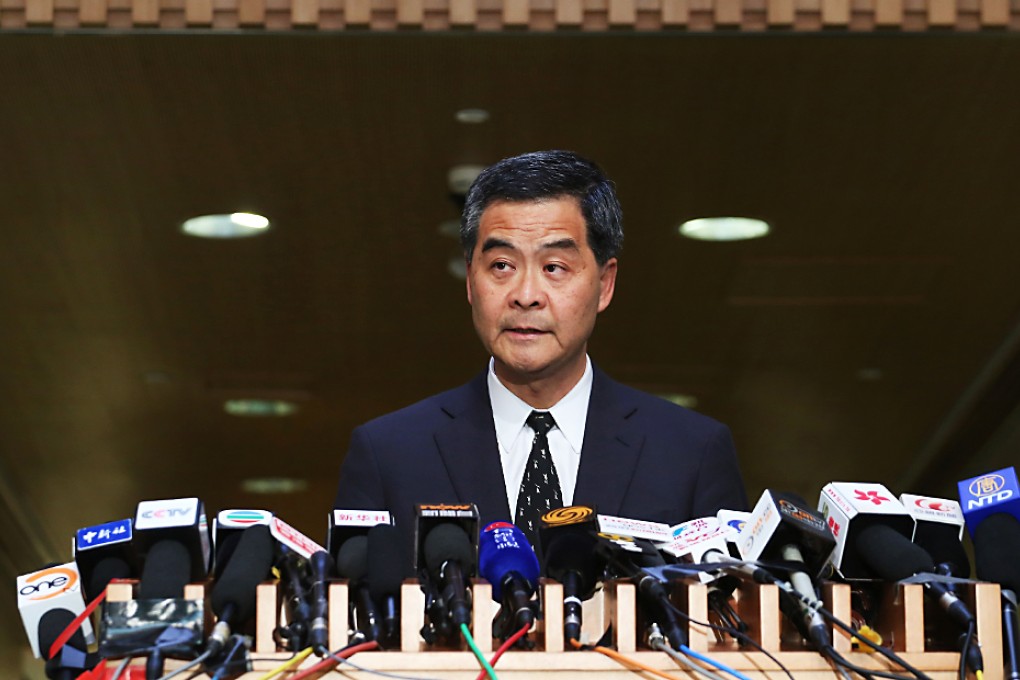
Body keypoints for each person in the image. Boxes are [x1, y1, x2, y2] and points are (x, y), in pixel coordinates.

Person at [333, 150, 747, 557]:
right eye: (501, 266)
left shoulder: (691, 452)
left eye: (554, 267)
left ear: (605, 284)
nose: (526, 296)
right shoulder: (388, 453)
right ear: (470, 282)